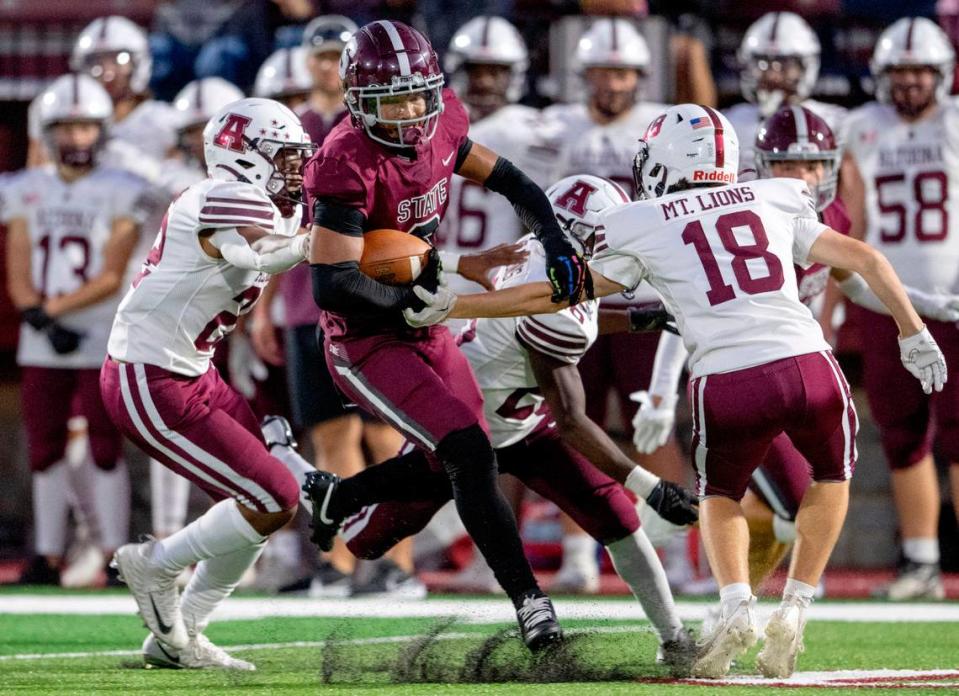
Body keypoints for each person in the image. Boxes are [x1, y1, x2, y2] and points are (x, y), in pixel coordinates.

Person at [404, 103, 947, 679]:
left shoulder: (640, 220)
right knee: (831, 478)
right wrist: (914, 331)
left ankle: (737, 605)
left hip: (727, 378)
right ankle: (795, 606)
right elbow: (865, 257)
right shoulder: (774, 195)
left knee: (720, 497)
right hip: (807, 362)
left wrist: (460, 303)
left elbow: (557, 293)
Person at [327, 174, 698, 669]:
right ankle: (305, 482)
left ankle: (674, 638)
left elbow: (568, 304)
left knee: (617, 519)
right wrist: (652, 487)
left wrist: (636, 319)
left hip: (525, 419)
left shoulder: (536, 257)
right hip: (470, 428)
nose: (612, 245)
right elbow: (572, 419)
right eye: (603, 234)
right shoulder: (552, 299)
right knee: (365, 539)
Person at [300, 20, 588, 652]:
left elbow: (511, 178)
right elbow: (332, 284)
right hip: (365, 338)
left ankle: (337, 498)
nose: (408, 114)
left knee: (457, 461)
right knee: (469, 453)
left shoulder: (446, 121)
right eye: (391, 102)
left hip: (425, 313)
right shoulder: (342, 161)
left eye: (416, 97)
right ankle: (531, 604)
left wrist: (554, 239)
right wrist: (412, 306)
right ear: (355, 102)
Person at [633, 104, 959, 596]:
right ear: (761, 166)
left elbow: (852, 279)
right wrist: (660, 392)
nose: (803, 176)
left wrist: (928, 306)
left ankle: (735, 584)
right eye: (788, 165)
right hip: (738, 368)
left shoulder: (826, 214)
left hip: (795, 367)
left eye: (814, 164)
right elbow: (682, 311)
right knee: (766, 498)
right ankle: (706, 552)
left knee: (784, 500)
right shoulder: (748, 208)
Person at [101, 97, 314, 670]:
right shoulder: (222, 195)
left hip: (194, 368)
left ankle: (180, 634)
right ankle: (159, 562)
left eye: (300, 157)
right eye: (285, 157)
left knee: (267, 496)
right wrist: (306, 247)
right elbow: (259, 252)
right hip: (150, 374)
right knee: (272, 496)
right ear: (243, 156)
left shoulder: (277, 204)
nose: (297, 169)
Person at [541, 17, 686, 591]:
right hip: (577, 293)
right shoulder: (554, 128)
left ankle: (677, 551)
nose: (612, 83)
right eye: (602, 71)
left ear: (640, 76)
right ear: (584, 75)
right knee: (575, 422)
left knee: (655, 428)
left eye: (623, 72)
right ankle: (579, 554)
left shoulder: (660, 129)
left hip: (643, 294)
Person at [3, 75, 152, 585]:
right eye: (65, 127)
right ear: (47, 133)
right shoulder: (26, 189)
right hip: (42, 333)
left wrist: (52, 311)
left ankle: (114, 552)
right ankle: (47, 553)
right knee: (43, 446)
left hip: (98, 332)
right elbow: (19, 257)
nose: (75, 138)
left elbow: (111, 273)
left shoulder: (122, 190)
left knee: (104, 445)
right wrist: (34, 311)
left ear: (102, 131)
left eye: (86, 127)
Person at [838, 16, 959, 600]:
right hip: (887, 305)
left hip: (956, 302)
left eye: (920, 71)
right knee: (904, 432)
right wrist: (834, 301)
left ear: (941, 74)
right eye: (901, 71)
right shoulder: (860, 127)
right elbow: (852, 221)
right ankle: (921, 562)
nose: (910, 82)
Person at [724, 12, 847, 175]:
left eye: (785, 65)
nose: (772, 75)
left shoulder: (834, 121)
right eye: (762, 64)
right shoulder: (730, 122)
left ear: (806, 67)